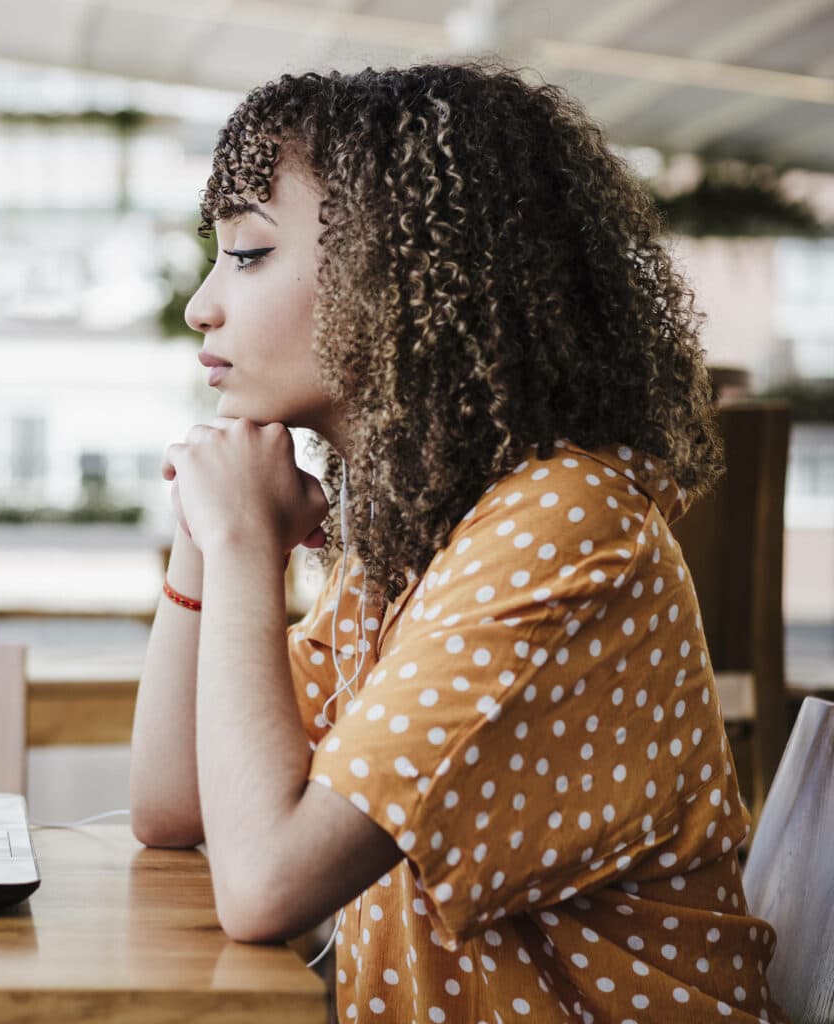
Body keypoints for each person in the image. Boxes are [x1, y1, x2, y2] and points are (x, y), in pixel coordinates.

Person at [129, 62, 788, 1022]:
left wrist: (239, 548)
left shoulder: (560, 528)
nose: (202, 306)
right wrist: (211, 534)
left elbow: (266, 885)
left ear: (400, 274)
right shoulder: (418, 531)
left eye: (250, 254)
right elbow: (173, 806)